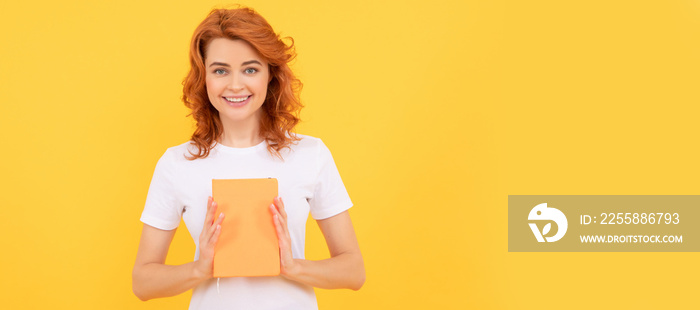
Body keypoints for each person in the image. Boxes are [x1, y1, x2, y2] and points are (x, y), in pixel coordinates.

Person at [132, 7, 365, 309]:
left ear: (271, 75)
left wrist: (292, 266)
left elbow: (353, 271)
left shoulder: (310, 155)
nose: (235, 85)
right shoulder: (177, 164)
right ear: (204, 78)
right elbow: (142, 282)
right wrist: (199, 269)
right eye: (220, 70)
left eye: (250, 69)